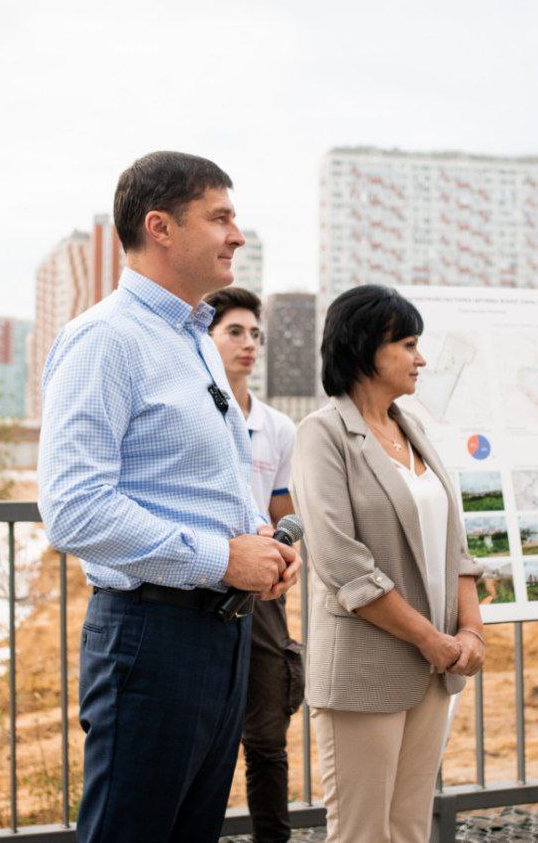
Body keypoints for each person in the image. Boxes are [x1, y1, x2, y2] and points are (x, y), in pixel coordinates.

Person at [38, 151, 301, 843]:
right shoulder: (105, 340)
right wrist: (223, 558)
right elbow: (73, 509)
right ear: (160, 227)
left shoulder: (195, 342)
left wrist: (259, 541)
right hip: (151, 636)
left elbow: (210, 482)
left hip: (220, 632)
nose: (236, 235)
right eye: (220, 218)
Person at [289, 284, 486, 843]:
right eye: (408, 344)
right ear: (365, 347)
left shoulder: (414, 430)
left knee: (409, 828)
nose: (421, 359)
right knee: (361, 832)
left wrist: (470, 630)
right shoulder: (322, 434)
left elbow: (455, 546)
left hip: (435, 668)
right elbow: (342, 562)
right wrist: (430, 638)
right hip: (366, 669)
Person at [205, 286, 303, 843]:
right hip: (204, 579)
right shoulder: (196, 414)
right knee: (204, 738)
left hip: (262, 594)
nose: (248, 344)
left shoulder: (279, 427)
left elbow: (282, 506)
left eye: (255, 335)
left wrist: (289, 555)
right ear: (206, 338)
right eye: (234, 332)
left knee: (267, 736)